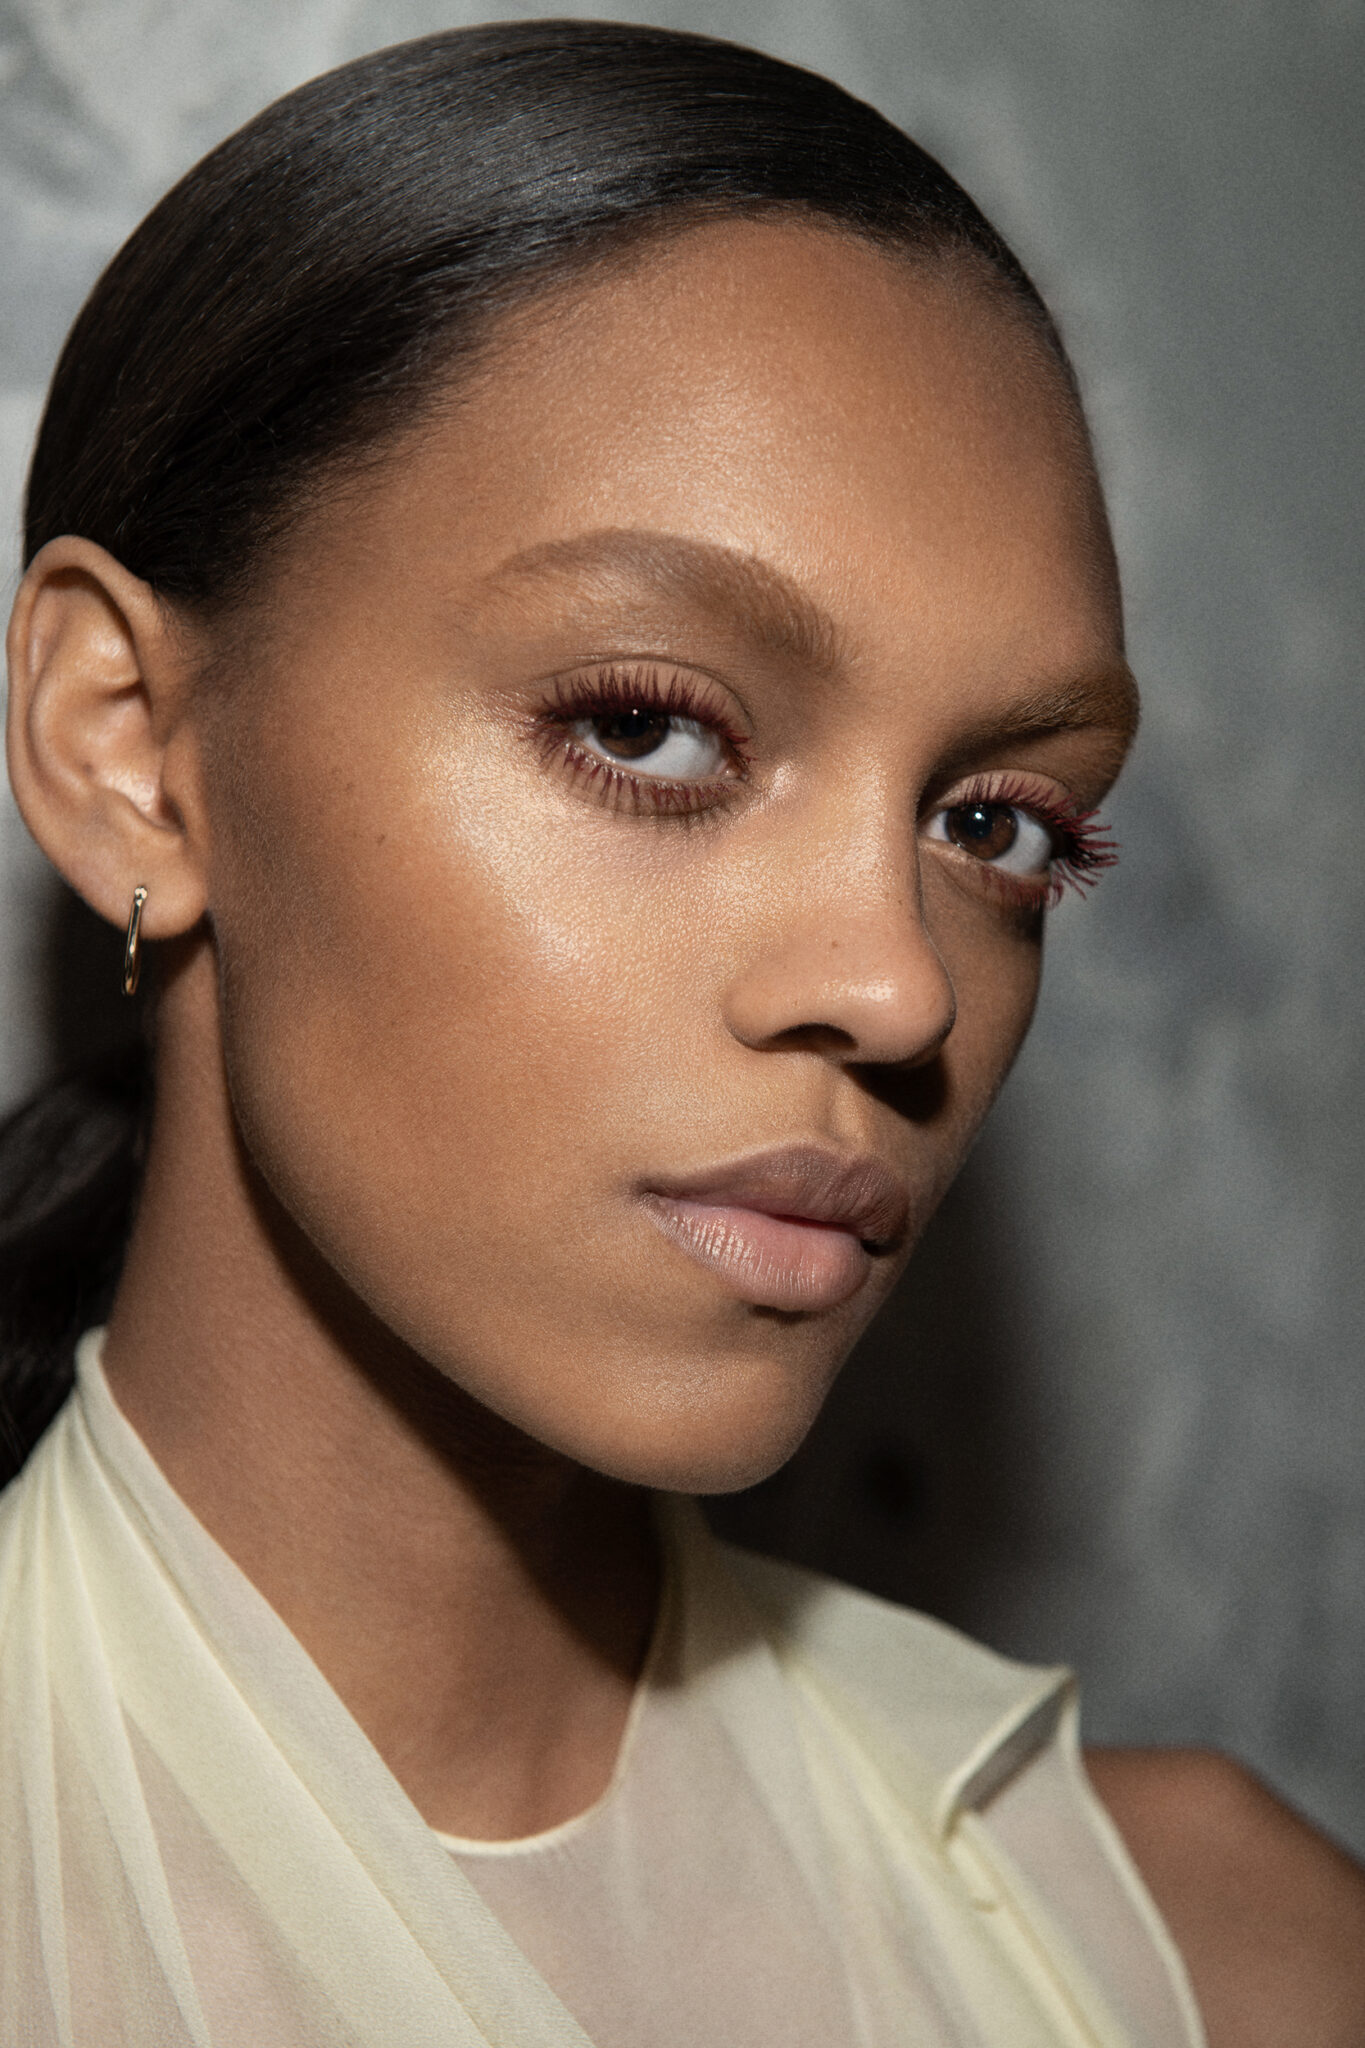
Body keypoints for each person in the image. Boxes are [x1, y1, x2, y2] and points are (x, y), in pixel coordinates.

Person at [1, 20, 1362, 2046]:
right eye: (647, 727)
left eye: (991, 824)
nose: (899, 989)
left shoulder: (1219, 1959)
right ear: (128, 753)